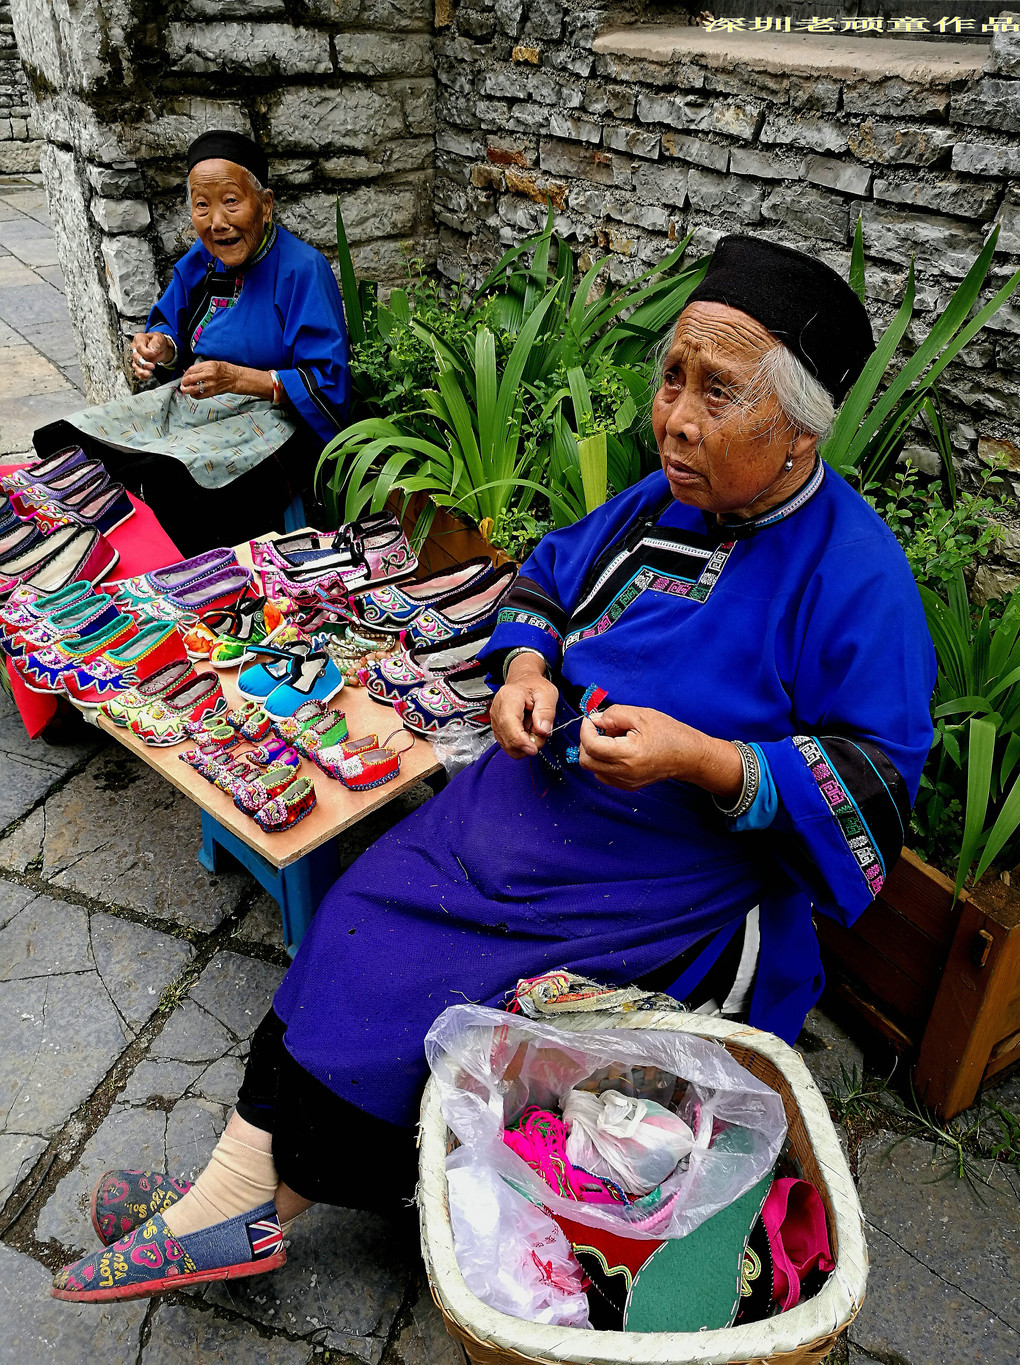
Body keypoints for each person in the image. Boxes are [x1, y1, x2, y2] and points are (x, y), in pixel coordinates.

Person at [52, 236, 936, 1303]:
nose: (676, 418)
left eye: (718, 391)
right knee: (370, 892)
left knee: (416, 968)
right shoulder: (663, 503)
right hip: (542, 805)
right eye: (670, 379)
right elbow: (548, 582)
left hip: (671, 877)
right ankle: (248, 1176)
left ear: (797, 429)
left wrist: (704, 760)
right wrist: (523, 666)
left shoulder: (855, 575)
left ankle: (245, 1198)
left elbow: (875, 786)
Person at [32, 130, 349, 556]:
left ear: (266, 205)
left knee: (166, 476)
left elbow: (329, 386)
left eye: (231, 201)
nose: (217, 221)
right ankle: (81, 545)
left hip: (278, 419)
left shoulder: (302, 270)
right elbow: (171, 327)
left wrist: (239, 378)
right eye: (203, 205)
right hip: (200, 403)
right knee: (70, 439)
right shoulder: (201, 262)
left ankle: (177, 572)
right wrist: (161, 347)